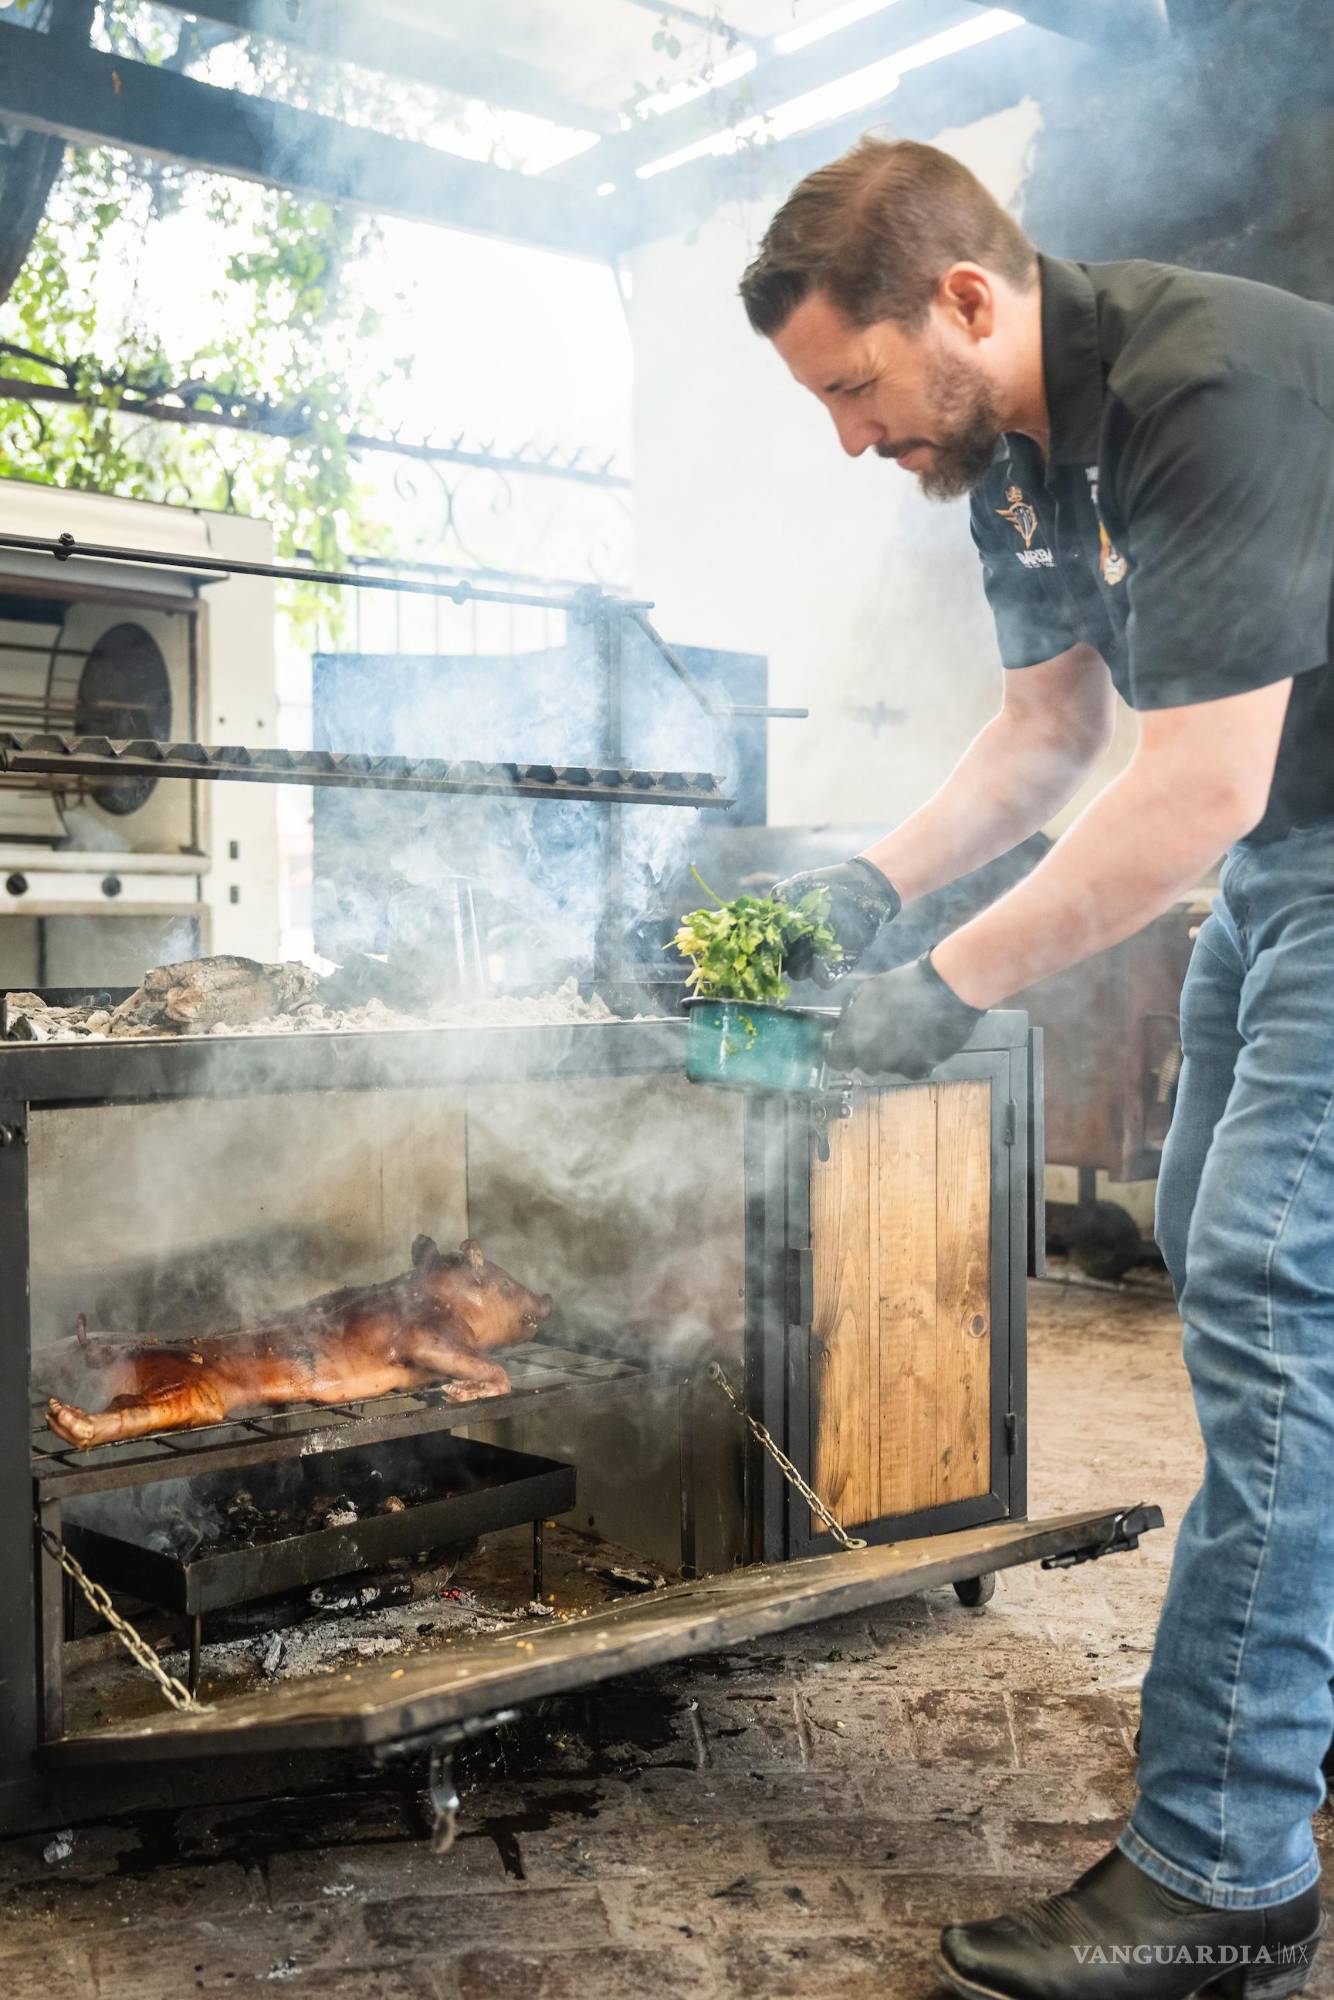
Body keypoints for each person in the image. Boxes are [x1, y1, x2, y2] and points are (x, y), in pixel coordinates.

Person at [743, 136, 1334, 2000]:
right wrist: (852, 897)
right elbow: (1047, 739)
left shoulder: (1199, 387)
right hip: (1284, 863)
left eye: (851, 387)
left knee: (1268, 1284)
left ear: (969, 306)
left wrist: (947, 989)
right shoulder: (1009, 468)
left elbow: (1195, 784)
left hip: (1301, 848)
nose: (847, 439)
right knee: (1222, 1247)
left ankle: (1223, 1865)